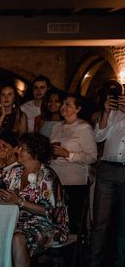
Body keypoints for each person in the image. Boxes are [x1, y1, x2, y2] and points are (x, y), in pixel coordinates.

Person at [0, 133, 69, 267]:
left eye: (22, 148)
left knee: (18, 238)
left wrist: (19, 202)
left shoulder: (47, 177)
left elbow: (51, 212)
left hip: (48, 224)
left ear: (35, 152)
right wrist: (2, 194)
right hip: (18, 220)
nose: (17, 150)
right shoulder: (15, 172)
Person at [89, 80, 125, 267]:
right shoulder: (112, 113)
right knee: (100, 219)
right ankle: (94, 262)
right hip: (107, 169)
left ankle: (121, 264)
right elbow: (98, 137)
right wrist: (105, 112)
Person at [48, 94, 97, 233]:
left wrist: (68, 154)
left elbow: (92, 157)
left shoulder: (84, 128)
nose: (63, 107)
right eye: (63, 104)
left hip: (75, 181)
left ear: (78, 108)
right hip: (55, 179)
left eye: (67, 104)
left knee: (73, 220)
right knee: (56, 218)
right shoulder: (57, 126)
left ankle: (74, 252)